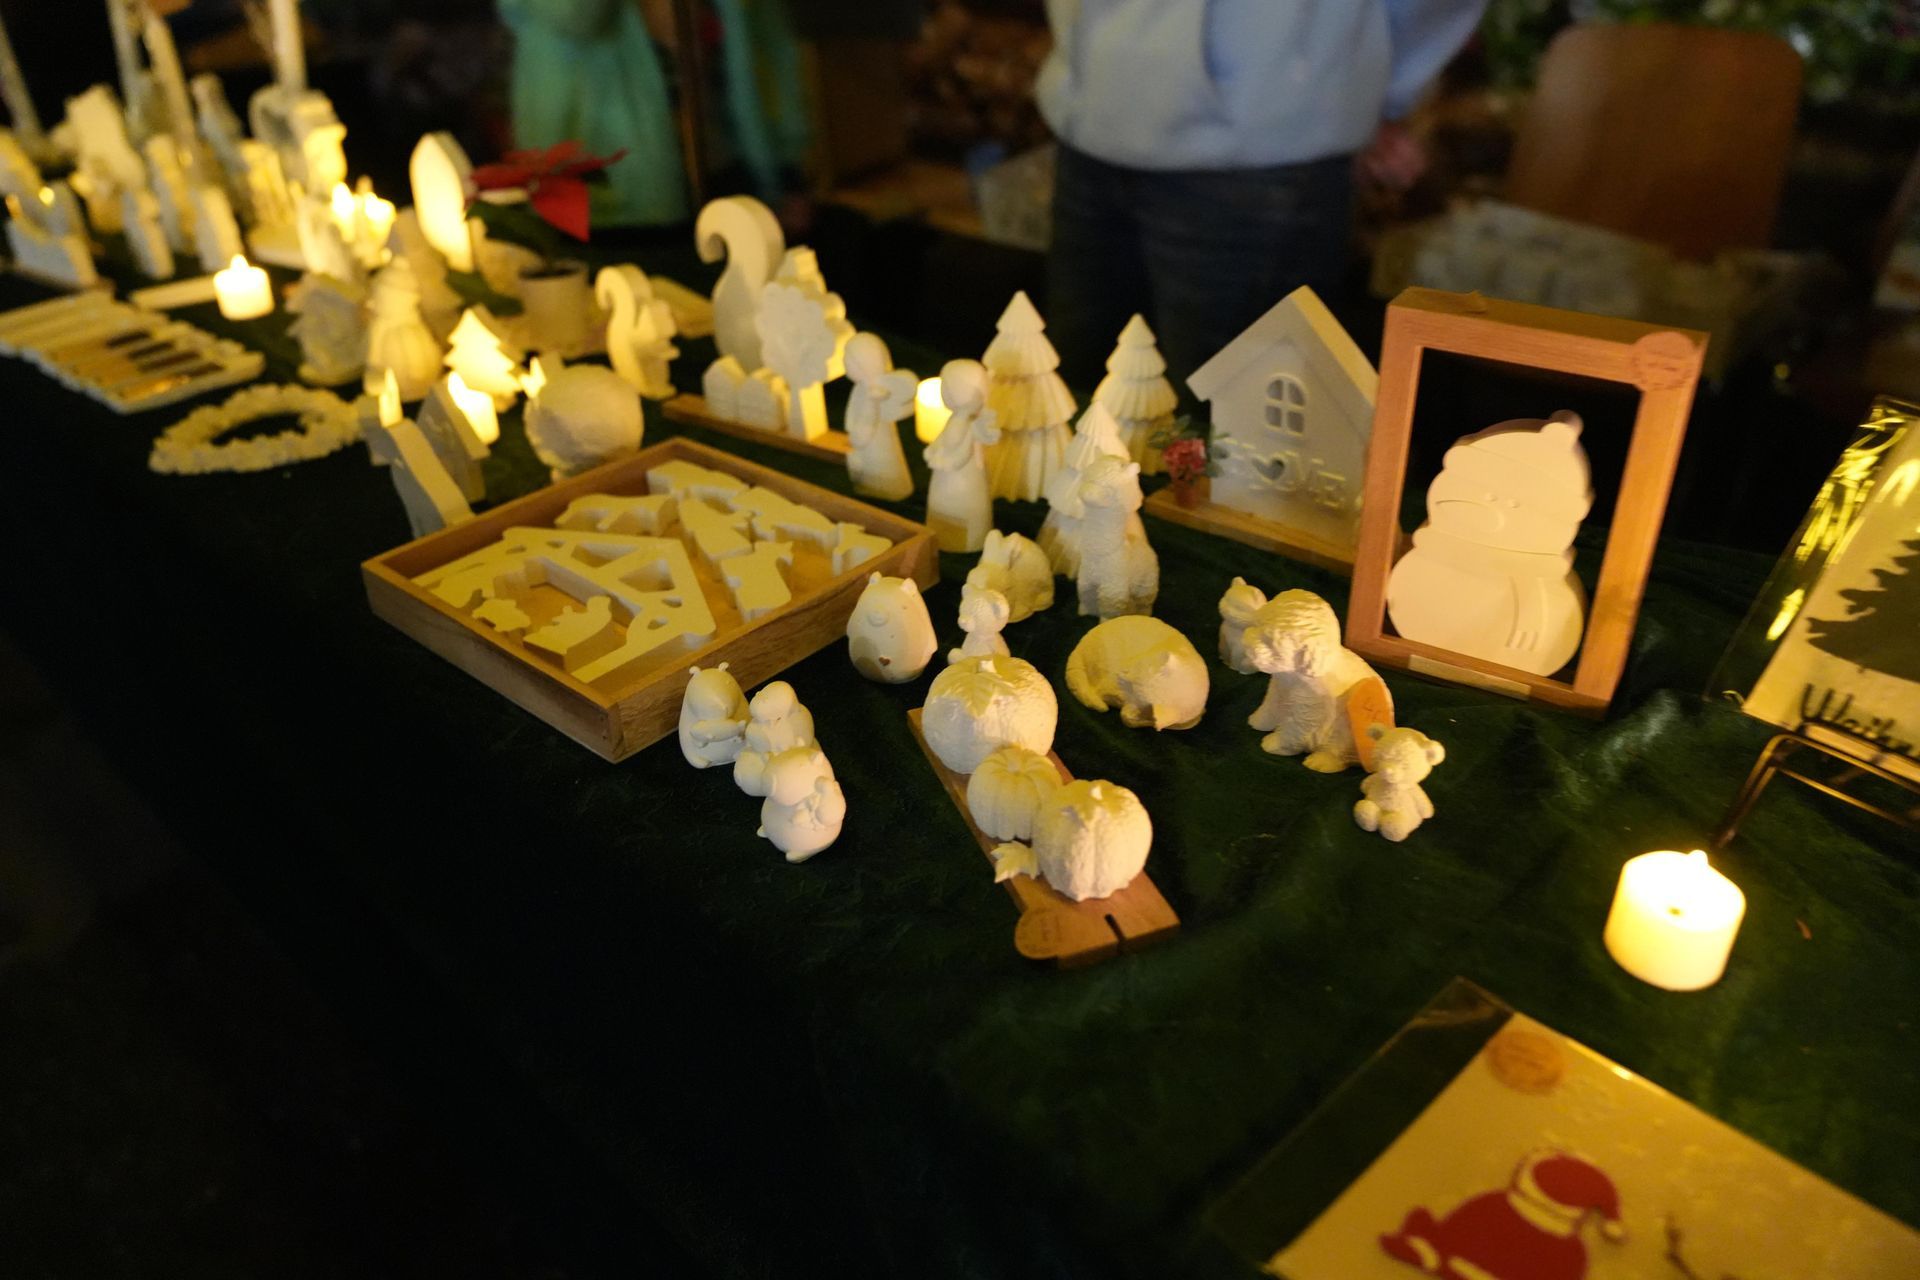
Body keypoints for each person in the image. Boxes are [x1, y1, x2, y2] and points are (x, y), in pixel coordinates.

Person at [1038, 0, 1488, 387]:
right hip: (1090, 123)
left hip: (1262, 153)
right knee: (1065, 416)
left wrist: (1368, 84)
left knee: (1232, 437)